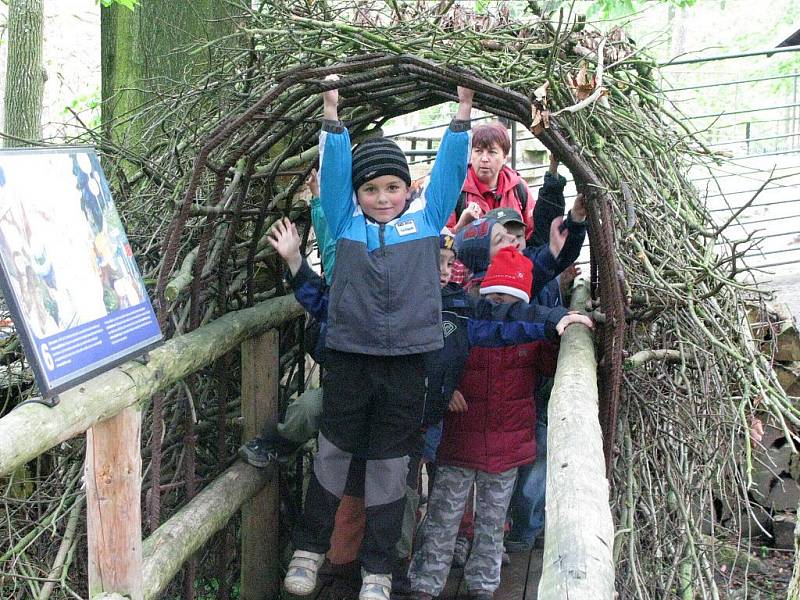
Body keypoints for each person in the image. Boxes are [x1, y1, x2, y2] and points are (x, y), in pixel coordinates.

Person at [283, 76, 475, 600]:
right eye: (372, 189)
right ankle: (308, 551)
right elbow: (337, 172)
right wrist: (331, 116)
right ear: (357, 194)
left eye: (392, 187)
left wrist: (461, 118)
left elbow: (449, 176)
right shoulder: (346, 223)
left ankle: (378, 571)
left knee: (392, 468)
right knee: (332, 455)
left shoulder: (427, 221)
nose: (383, 197)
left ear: (408, 190)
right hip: (350, 358)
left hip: (408, 363)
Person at [407, 247, 592, 600]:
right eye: (493, 298)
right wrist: (446, 392)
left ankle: (482, 585)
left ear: (522, 303)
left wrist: (561, 334)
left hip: (506, 447)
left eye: (509, 299)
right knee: (443, 519)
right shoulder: (465, 325)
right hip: (460, 439)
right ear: (483, 297)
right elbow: (435, 362)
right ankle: (425, 583)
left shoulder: (531, 335)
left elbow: (549, 368)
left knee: (492, 524)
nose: (500, 308)